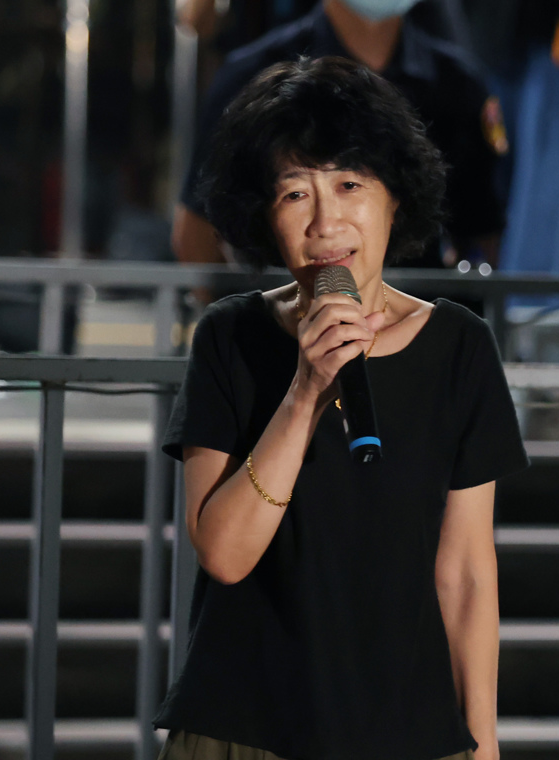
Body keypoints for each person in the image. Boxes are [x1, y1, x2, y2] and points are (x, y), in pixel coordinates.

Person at [157, 57, 528, 760]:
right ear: (266, 216)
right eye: (295, 193)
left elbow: (466, 574)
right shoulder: (230, 337)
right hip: (244, 731)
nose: (326, 222)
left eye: (350, 185)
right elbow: (224, 554)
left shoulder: (459, 347)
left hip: (407, 733)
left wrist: (483, 741)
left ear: (395, 198)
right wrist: (305, 392)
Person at [172, 0, 508, 270]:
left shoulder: (458, 85)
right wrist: (247, 321)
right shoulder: (252, 77)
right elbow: (197, 233)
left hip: (416, 314)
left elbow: (483, 233)